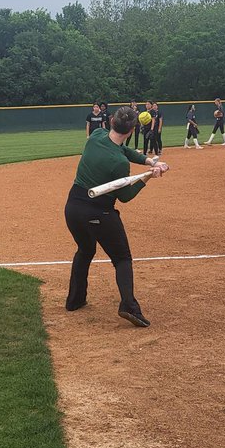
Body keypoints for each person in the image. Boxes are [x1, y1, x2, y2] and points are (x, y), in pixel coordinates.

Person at [64, 105, 169, 328]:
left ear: (111, 121)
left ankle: (74, 300)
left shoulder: (95, 135)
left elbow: (123, 150)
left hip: (73, 208)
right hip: (99, 212)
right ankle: (128, 306)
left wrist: (149, 161)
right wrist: (149, 176)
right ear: (131, 131)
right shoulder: (119, 164)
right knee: (122, 258)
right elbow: (126, 196)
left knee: (85, 250)